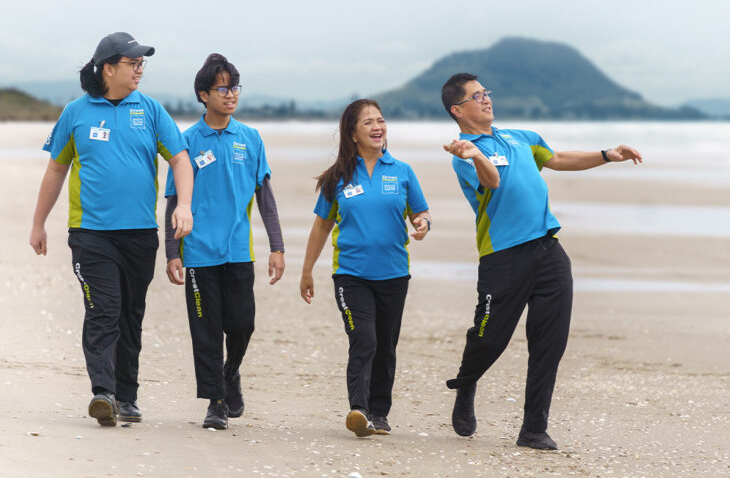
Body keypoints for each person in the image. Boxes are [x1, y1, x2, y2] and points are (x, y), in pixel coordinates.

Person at [440, 73, 643, 450]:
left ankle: (533, 428)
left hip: (549, 251)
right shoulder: (461, 151)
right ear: (458, 109)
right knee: (488, 338)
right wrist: (477, 155)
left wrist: (605, 156)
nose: (486, 99)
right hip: (503, 257)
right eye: (477, 96)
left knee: (550, 342)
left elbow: (559, 159)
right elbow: (491, 183)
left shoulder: (521, 137)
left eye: (487, 92)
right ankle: (467, 382)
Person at [29, 32, 194, 427]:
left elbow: (181, 160)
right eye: (132, 63)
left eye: (142, 64)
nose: (139, 69)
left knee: (130, 314)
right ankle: (103, 392)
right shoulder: (76, 112)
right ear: (108, 68)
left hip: (139, 233)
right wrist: (39, 223)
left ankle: (127, 395)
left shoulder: (151, 110)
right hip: (90, 233)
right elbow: (56, 168)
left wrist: (184, 205)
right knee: (104, 308)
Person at [164, 54, 285, 431]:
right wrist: (171, 251)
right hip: (198, 251)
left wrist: (277, 247)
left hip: (238, 250)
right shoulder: (185, 142)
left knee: (242, 324)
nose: (231, 94)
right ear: (204, 94)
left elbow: (264, 195)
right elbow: (172, 199)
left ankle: (230, 373)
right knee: (206, 330)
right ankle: (215, 402)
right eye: (222, 88)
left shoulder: (249, 138)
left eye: (234, 87)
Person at [299, 99, 431, 437]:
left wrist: (422, 224)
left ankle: (379, 413)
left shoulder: (402, 171)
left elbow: (421, 212)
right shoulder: (338, 177)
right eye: (369, 122)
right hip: (351, 275)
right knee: (364, 339)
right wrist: (307, 271)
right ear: (353, 133)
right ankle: (359, 409)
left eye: (381, 121)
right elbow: (321, 227)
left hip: (394, 274)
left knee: (386, 346)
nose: (378, 127)